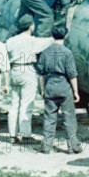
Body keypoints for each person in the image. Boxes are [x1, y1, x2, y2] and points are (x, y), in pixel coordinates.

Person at [5, 14, 53, 144]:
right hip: (27, 71)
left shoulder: (10, 41)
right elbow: (49, 41)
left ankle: (12, 135)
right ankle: (25, 134)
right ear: (31, 26)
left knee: (14, 104)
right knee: (26, 105)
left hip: (14, 70)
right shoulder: (33, 41)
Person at [35, 24, 82, 154]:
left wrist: (43, 89)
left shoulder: (45, 52)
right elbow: (72, 74)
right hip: (64, 87)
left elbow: (40, 74)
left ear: (52, 35)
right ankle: (73, 146)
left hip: (50, 85)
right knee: (69, 118)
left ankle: (46, 146)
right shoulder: (67, 52)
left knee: (49, 118)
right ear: (65, 36)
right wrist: (76, 91)